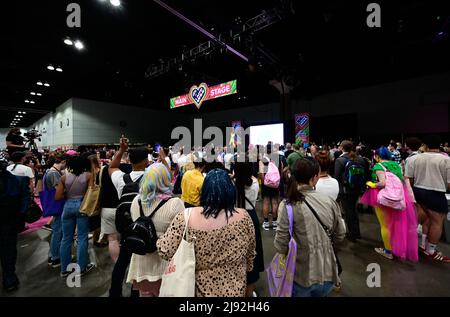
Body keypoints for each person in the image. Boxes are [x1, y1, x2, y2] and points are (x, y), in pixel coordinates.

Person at [158, 168, 256, 297]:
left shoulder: (186, 217)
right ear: (231, 190)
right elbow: (250, 255)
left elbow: (165, 250)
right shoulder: (244, 217)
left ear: (204, 190)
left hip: (197, 289)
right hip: (235, 288)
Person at [275, 157, 345, 297]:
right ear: (314, 178)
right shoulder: (329, 201)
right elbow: (340, 234)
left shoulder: (288, 204)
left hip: (300, 274)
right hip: (327, 271)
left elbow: (281, 243)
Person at [126, 163, 185, 297]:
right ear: (166, 179)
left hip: (140, 263)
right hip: (165, 266)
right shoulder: (174, 204)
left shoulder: (136, 201)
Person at [360, 147, 418, 261]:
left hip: (383, 197)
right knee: (396, 223)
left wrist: (371, 184)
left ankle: (388, 251)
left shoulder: (378, 166)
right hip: (399, 196)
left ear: (377, 156)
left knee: (385, 225)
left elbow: (382, 183)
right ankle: (397, 247)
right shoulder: (396, 165)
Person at [108, 137, 149, 297]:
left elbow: (112, 166)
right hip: (144, 225)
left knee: (121, 262)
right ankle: (135, 293)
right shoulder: (152, 179)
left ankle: (115, 292)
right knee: (139, 262)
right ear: (146, 161)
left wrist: (121, 150)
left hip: (125, 225)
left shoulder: (121, 179)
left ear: (129, 160)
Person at [404, 135, 450, 263]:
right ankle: (431, 251)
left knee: (425, 219)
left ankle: (422, 244)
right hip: (436, 192)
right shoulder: (446, 160)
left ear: (425, 145)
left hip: (418, 191)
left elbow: (409, 179)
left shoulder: (414, 158)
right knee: (437, 221)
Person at [55, 155, 95, 277]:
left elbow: (57, 197)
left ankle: (64, 269)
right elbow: (91, 193)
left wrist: (68, 193)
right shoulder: (88, 176)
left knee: (66, 238)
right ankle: (82, 268)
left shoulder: (63, 178)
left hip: (67, 207)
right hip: (82, 206)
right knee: (82, 237)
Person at [234, 159, 264, 297]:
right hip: (251, 218)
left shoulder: (233, 184)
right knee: (252, 254)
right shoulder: (255, 183)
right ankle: (249, 292)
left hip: (235, 218)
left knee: (236, 254)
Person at [0, 154, 29, 292]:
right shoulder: (19, 181)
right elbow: (24, 202)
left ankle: (9, 278)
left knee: (9, 252)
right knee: (9, 252)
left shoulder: (18, 181)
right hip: (9, 222)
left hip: (9, 222)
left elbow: (24, 202)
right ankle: (9, 278)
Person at [334, 140, 366, 242]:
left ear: (342, 147)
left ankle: (352, 234)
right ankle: (357, 232)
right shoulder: (360, 158)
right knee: (353, 210)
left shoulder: (340, 160)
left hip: (346, 190)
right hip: (357, 188)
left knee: (348, 211)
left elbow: (337, 177)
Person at [44, 154, 67, 268]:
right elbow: (59, 190)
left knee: (56, 231)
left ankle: (52, 255)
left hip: (55, 205)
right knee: (58, 231)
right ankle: (56, 257)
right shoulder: (53, 173)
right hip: (58, 205)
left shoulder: (50, 171)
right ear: (62, 161)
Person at [259, 143, 280, 230]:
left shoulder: (262, 160)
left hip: (266, 184)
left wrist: (265, 182)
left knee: (266, 202)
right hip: (275, 184)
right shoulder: (277, 159)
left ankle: (266, 223)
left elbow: (261, 173)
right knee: (275, 202)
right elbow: (281, 170)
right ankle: (275, 223)